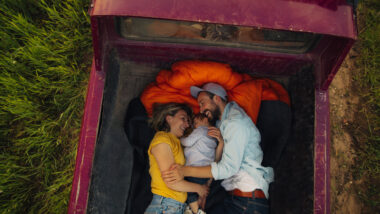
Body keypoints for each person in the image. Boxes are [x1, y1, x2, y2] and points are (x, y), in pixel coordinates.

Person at [162, 83, 274, 214]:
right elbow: (214, 160)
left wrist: (184, 171)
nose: (201, 109)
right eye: (199, 105)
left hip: (247, 202)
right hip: (234, 198)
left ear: (217, 99)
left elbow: (227, 168)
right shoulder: (219, 124)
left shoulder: (235, 123)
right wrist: (203, 192)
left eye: (203, 103)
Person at [144, 103, 209, 214]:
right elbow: (172, 182)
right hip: (165, 206)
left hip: (173, 206)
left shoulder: (179, 143)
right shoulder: (162, 139)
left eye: (188, 121)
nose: (187, 124)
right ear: (169, 118)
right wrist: (199, 188)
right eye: (183, 118)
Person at [181, 113, 224, 214]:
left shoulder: (201, 130)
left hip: (196, 169)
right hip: (206, 172)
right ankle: (197, 207)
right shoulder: (213, 137)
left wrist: (180, 138)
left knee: (188, 189)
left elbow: (187, 142)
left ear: (205, 120)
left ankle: (195, 210)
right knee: (198, 193)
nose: (194, 126)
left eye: (195, 123)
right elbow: (216, 157)